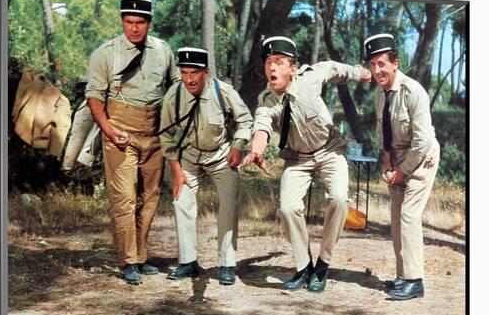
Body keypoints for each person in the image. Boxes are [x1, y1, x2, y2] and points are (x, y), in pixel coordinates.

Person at [242, 36, 371, 293]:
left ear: (292, 67)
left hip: (329, 149)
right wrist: (256, 149)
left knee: (338, 199)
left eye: (279, 62)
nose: (272, 68)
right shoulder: (266, 99)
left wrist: (359, 73)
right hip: (297, 158)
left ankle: (323, 264)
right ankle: (303, 267)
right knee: (288, 208)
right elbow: (261, 125)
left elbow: (335, 68)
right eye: (268, 62)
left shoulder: (310, 77)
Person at [85, 0, 179, 285]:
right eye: (129, 22)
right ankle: (127, 261)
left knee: (149, 197)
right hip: (120, 131)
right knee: (124, 198)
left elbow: (177, 85)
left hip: (154, 132)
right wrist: (109, 130)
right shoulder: (106, 53)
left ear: (148, 23)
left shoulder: (163, 51)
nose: (134, 28)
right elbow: (94, 97)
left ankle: (140, 256)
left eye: (140, 23)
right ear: (122, 21)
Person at [158, 47, 253, 285]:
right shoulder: (174, 95)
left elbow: (245, 120)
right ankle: (188, 262)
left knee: (229, 205)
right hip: (189, 156)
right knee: (182, 202)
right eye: (184, 72)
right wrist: (176, 170)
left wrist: (238, 147)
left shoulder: (223, 92)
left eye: (195, 73)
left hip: (222, 155)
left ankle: (226, 264)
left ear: (206, 73)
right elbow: (166, 135)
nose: (189, 78)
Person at [365, 33, 440, 300]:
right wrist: (387, 163)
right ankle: (402, 277)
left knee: (409, 216)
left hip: (422, 159)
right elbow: (382, 131)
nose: (377, 70)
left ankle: (415, 281)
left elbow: (422, 142)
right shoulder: (379, 95)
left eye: (382, 63)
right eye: (373, 64)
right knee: (396, 219)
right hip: (396, 158)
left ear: (395, 62)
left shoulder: (413, 91)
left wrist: (401, 171)